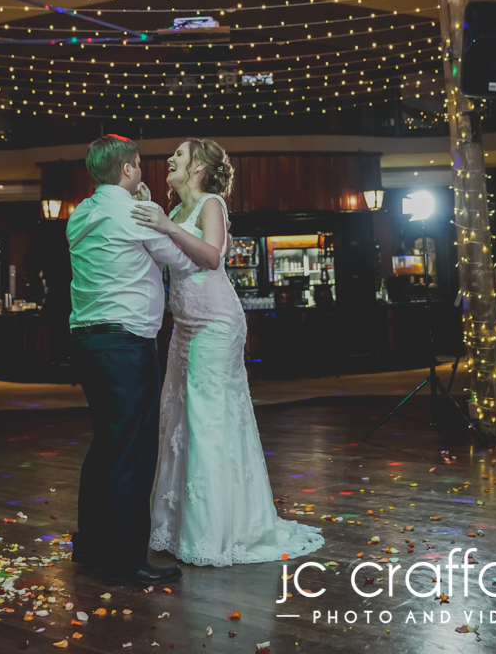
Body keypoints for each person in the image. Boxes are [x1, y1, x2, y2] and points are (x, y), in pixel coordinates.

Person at [133, 139, 325, 567]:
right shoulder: (176, 213)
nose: (169, 160)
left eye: (179, 155)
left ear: (198, 167)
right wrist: (152, 214)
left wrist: (164, 225)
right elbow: (164, 254)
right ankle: (177, 526)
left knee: (208, 421)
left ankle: (216, 532)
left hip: (217, 324)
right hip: (184, 327)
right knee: (179, 419)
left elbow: (213, 257)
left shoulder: (211, 204)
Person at [66, 133, 218, 588]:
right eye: (138, 164)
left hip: (86, 341)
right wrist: (156, 217)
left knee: (105, 447)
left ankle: (92, 545)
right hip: (125, 345)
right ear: (129, 168)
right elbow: (186, 262)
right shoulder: (133, 213)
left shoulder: (81, 213)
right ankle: (126, 559)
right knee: (131, 453)